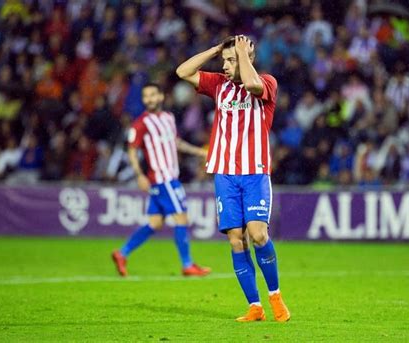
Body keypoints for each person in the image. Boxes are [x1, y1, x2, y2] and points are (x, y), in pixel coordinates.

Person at [176, 35, 290, 322]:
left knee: (258, 234)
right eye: (223, 61)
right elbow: (182, 72)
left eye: (231, 61)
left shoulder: (267, 82)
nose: (225, 66)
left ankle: (275, 296)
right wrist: (216, 49)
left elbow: (252, 85)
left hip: (254, 172)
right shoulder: (219, 86)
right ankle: (255, 306)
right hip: (225, 173)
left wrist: (242, 54)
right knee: (236, 241)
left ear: (247, 59)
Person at [112, 83, 211, 277]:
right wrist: (139, 175)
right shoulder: (140, 123)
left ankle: (122, 253)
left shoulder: (168, 118)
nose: (149, 99)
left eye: (152, 95)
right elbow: (132, 151)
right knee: (181, 217)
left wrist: (199, 151)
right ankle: (187, 264)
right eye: (145, 96)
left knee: (155, 223)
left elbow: (176, 143)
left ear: (161, 97)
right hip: (163, 178)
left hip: (165, 179)